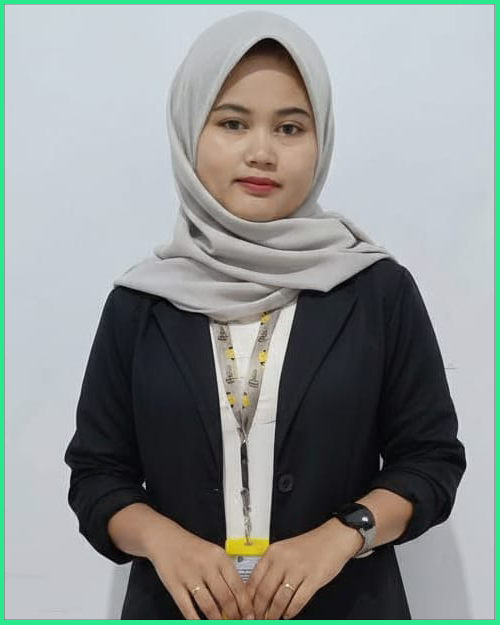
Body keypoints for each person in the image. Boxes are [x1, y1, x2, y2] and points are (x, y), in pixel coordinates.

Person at [64, 10, 467, 620]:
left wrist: (344, 534)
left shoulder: (376, 291)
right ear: (189, 131)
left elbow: (431, 460)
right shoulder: (140, 303)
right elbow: (97, 473)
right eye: (232, 123)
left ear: (321, 140)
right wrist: (161, 540)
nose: (261, 152)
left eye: (289, 127)